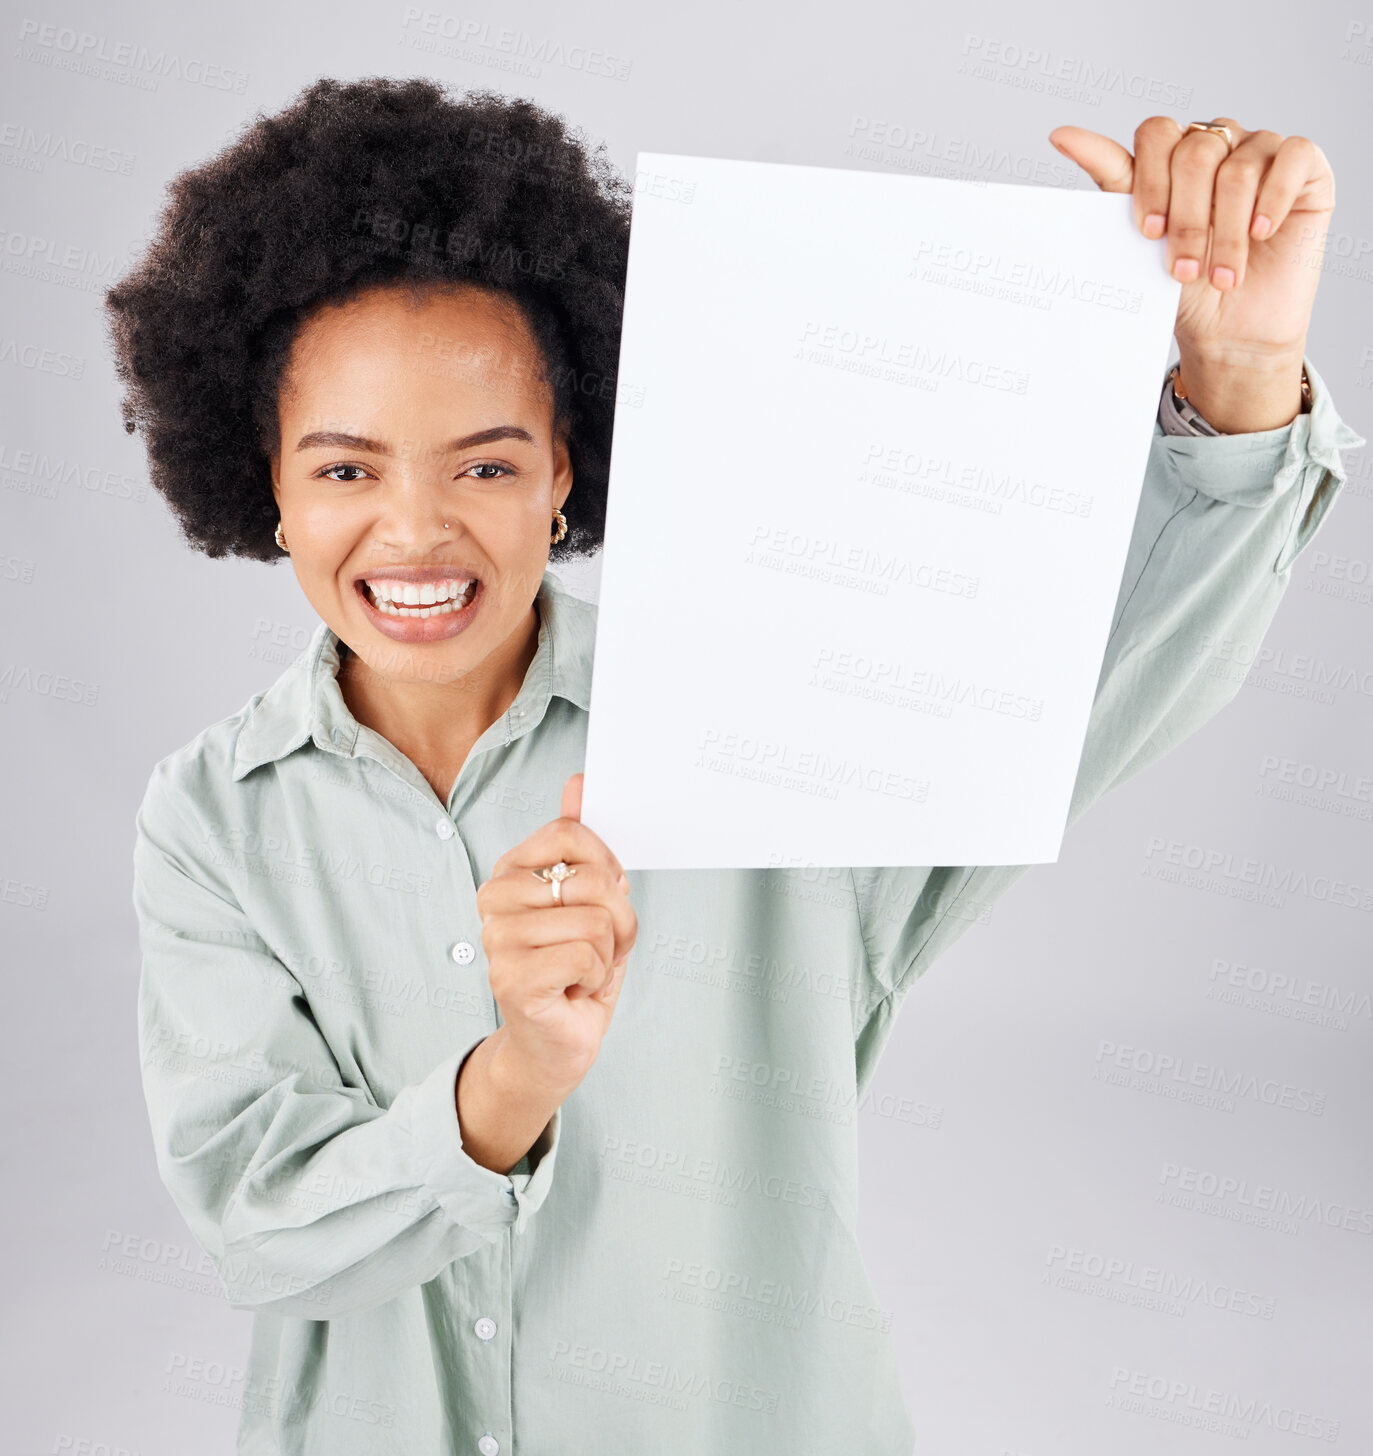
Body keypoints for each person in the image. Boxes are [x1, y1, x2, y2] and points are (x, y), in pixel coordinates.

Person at [109, 77, 1364, 1455]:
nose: (413, 534)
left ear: (566, 472)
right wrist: (515, 1077)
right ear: (266, 486)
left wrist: (1236, 379)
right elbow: (258, 1223)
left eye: (484, 465)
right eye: (346, 471)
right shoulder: (212, 820)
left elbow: (1090, 691)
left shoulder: (759, 713)